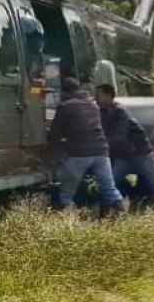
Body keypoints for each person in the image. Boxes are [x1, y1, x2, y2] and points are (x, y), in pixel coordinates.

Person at [48, 77, 127, 214]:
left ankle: (63, 219)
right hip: (101, 151)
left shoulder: (66, 106)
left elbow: (55, 133)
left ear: (65, 92)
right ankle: (123, 216)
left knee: (67, 191)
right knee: (109, 188)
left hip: (80, 152)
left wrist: (52, 149)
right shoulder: (93, 106)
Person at [94, 83, 154, 208]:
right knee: (111, 183)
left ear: (108, 96)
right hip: (124, 158)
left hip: (141, 155)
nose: (96, 98)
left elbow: (119, 136)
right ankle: (111, 210)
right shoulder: (102, 113)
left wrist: (103, 146)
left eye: (98, 95)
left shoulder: (120, 112)